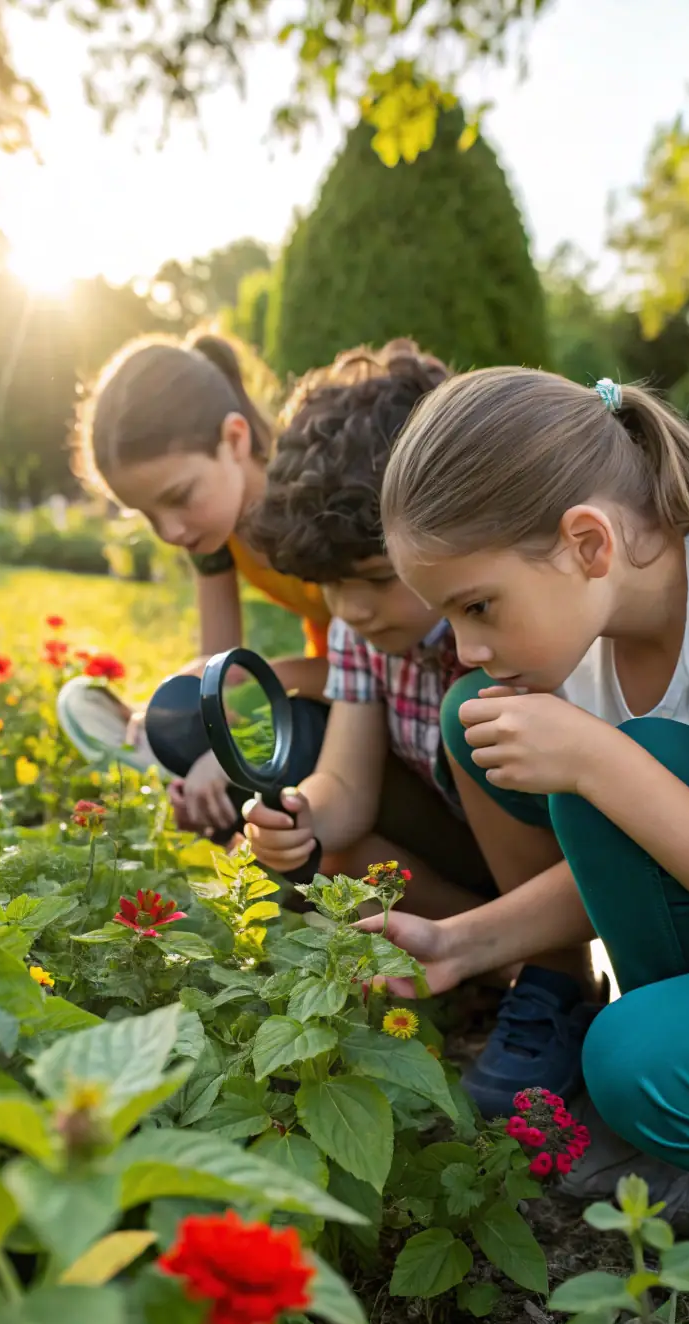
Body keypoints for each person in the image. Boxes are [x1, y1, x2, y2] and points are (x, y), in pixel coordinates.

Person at [368, 365, 689, 1210]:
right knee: (485, 715)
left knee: (636, 1065)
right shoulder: (596, 638)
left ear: (588, 543)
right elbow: (652, 860)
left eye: (479, 606)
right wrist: (467, 942)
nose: (465, 647)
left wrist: (598, 760)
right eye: (451, 618)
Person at [238, 341, 498, 923]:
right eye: (330, 585)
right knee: (339, 854)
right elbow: (347, 787)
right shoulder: (361, 633)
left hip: (548, 854)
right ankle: (489, 957)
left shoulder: (501, 634)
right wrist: (303, 817)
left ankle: (546, 964)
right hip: (458, 852)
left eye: (380, 578)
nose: (352, 609)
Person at [57, 331, 331, 839]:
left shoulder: (320, 510)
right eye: (148, 515)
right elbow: (220, 664)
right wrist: (176, 707)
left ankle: (194, 788)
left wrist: (255, 686)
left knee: (268, 748)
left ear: (234, 439)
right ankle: (172, 774)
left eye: (180, 497)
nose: (171, 532)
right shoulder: (215, 534)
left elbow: (372, 675)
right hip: (315, 692)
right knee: (173, 718)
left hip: (359, 710)